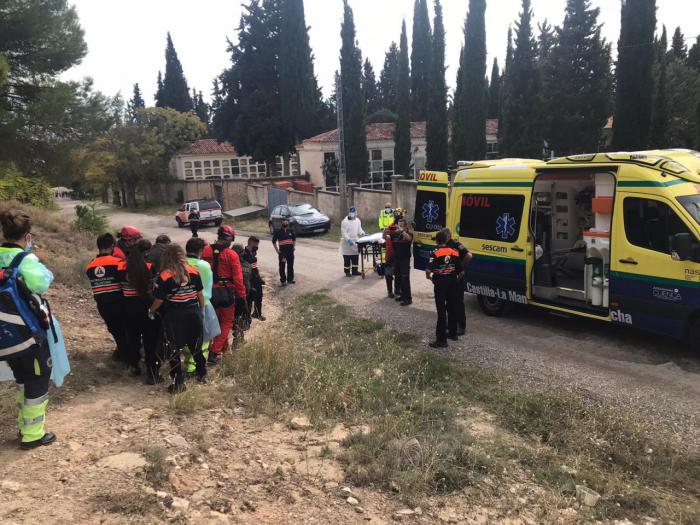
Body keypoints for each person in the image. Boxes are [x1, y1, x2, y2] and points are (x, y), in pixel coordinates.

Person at [0, 210, 56, 449]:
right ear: (27, 236)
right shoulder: (24, 260)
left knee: (23, 379)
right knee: (38, 380)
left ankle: (25, 426)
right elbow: (43, 282)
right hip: (28, 335)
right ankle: (33, 434)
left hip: (6, 336)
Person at [150, 244, 207, 393]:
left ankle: (178, 383)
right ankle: (202, 374)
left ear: (167, 257)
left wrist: (151, 310)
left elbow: (159, 300)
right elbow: (200, 294)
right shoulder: (193, 271)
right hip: (194, 313)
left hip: (175, 316)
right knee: (196, 346)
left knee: (174, 349)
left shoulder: (165, 276)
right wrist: (201, 311)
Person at [118, 239, 162, 383]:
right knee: (150, 342)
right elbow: (155, 288)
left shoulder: (121, 266)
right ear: (147, 252)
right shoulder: (149, 266)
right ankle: (152, 374)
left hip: (127, 308)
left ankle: (134, 366)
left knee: (133, 339)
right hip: (146, 308)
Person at [202, 225, 247, 364]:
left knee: (215, 322)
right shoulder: (231, 254)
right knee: (226, 322)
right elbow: (238, 278)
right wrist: (242, 296)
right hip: (226, 292)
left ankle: (223, 349)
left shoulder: (206, 250)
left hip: (209, 292)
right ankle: (214, 353)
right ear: (230, 238)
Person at [85, 233, 130, 363]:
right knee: (126, 329)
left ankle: (121, 352)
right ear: (112, 246)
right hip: (120, 303)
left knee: (114, 329)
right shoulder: (119, 263)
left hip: (103, 306)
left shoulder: (90, 266)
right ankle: (129, 357)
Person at [425, 230, 464, 348]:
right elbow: (461, 272)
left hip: (440, 283)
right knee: (452, 308)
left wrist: (430, 278)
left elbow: (428, 271)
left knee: (441, 311)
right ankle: (453, 334)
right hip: (452, 282)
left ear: (437, 241)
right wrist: (456, 280)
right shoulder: (454, 252)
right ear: (446, 240)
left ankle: (441, 340)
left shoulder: (435, 253)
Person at [185, 237, 216, 374]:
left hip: (183, 304)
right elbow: (208, 288)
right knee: (204, 336)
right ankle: (196, 365)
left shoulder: (180, 264)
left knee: (186, 335)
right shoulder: (204, 265)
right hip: (203, 304)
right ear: (200, 250)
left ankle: (188, 363)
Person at [443, 228, 472, 335]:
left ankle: (461, 326)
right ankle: (450, 324)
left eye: (443, 236)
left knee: (458, 302)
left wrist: (461, 265)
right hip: (448, 277)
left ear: (448, 236)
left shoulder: (456, 244)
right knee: (449, 301)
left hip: (458, 276)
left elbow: (469, 255)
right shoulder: (443, 245)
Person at [390, 215, 413, 306]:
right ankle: (403, 296)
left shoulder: (409, 233)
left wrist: (402, 230)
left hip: (404, 260)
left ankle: (408, 299)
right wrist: (386, 230)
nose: (400, 227)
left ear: (406, 226)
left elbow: (409, 239)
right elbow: (385, 237)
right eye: (399, 225)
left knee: (405, 279)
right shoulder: (395, 234)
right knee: (399, 278)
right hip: (397, 259)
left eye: (402, 225)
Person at [243, 236, 265, 320]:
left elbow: (255, 267)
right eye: (255, 244)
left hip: (256, 278)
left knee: (259, 296)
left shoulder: (253, 252)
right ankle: (247, 317)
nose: (256, 246)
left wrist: (259, 278)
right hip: (249, 280)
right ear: (250, 242)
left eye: (257, 244)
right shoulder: (244, 254)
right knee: (249, 298)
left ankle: (257, 313)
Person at [339, 206, 364, 277]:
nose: (353, 214)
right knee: (347, 258)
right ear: (349, 213)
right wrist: (348, 239)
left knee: (355, 257)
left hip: (355, 241)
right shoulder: (345, 221)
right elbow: (344, 233)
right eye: (352, 213)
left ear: (356, 213)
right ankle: (347, 272)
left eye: (354, 213)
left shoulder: (357, 220)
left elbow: (359, 229)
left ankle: (354, 271)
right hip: (346, 243)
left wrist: (363, 233)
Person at [272, 219, 296, 285]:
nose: (285, 223)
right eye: (284, 222)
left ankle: (290, 279)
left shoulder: (291, 231)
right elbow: (273, 241)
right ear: (281, 223)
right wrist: (277, 251)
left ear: (288, 223)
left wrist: (293, 247)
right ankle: (283, 281)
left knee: (290, 266)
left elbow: (294, 239)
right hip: (282, 253)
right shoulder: (278, 231)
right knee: (282, 266)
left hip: (290, 252)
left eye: (286, 222)